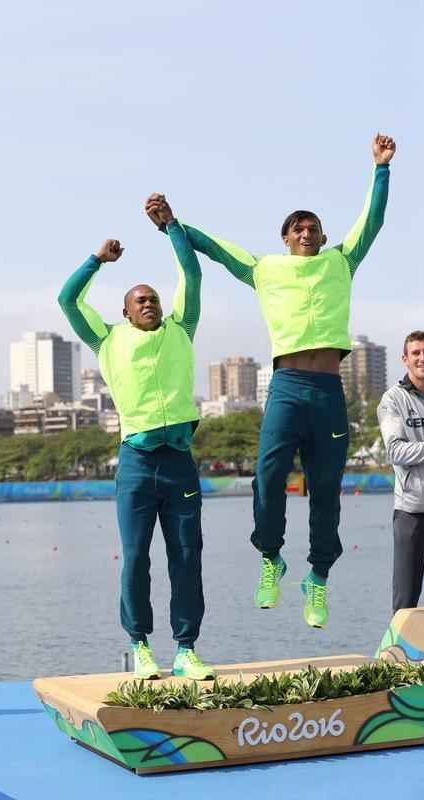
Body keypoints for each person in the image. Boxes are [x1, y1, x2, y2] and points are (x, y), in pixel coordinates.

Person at [146, 134, 396, 628]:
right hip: (285, 388)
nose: (307, 233)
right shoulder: (265, 269)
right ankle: (270, 557)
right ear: (285, 238)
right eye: (298, 228)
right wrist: (172, 225)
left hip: (328, 392)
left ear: (323, 239)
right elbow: (214, 249)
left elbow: (373, 221)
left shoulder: (340, 262)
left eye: (314, 228)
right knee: (268, 477)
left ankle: (317, 578)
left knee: (325, 489)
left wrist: (381, 168)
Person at [58, 205, 215, 681]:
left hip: (180, 463)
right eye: (138, 300)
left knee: (187, 556)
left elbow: (191, 272)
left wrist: (171, 227)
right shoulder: (106, 340)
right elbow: (67, 300)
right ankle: (140, 646)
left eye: (152, 299)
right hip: (136, 464)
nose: (148, 303)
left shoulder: (181, 330)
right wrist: (96, 261)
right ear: (124, 311)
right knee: (136, 559)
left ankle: (186, 649)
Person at [377, 331, 424, 613]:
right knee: (405, 605)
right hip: (412, 514)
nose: (422, 357)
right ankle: (395, 659)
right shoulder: (392, 400)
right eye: (416, 353)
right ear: (405, 359)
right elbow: (396, 452)